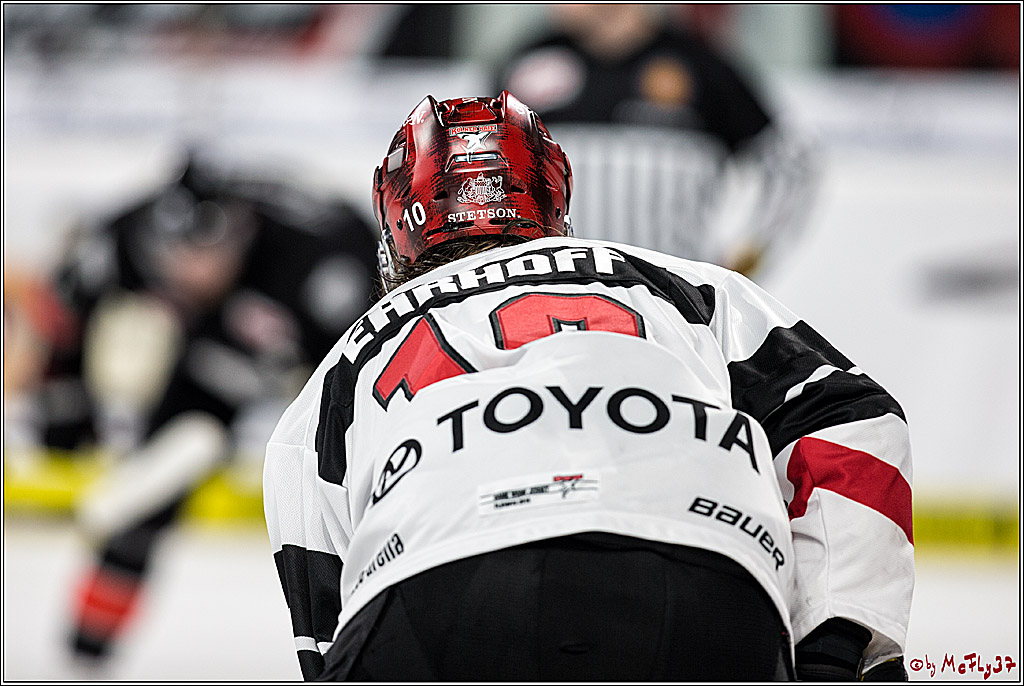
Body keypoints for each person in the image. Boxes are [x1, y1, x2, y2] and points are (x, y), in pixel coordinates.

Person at [263, 92, 912, 681]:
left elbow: (319, 600)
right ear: (555, 208)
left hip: (441, 587)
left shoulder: (348, 359)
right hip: (704, 570)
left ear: (396, 232)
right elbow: (851, 416)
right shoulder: (683, 286)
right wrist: (840, 638)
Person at [42, 151, 380, 661]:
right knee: (146, 498)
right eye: (172, 255)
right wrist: (66, 403)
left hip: (325, 349)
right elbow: (70, 302)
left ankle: (364, 647)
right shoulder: (134, 233)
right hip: (222, 349)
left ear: (241, 235)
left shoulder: (325, 261)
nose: (187, 272)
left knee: (347, 504)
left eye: (205, 256)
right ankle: (83, 658)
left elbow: (374, 361)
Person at [499, 4, 818, 277]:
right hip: (550, 297)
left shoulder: (702, 66)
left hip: (670, 303)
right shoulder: (525, 63)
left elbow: (788, 166)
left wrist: (746, 257)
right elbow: (481, 167)